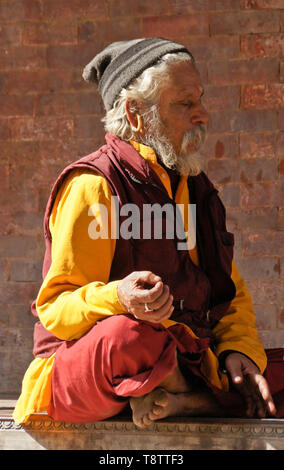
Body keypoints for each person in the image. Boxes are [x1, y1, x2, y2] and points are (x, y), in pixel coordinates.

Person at [13, 38, 283, 427]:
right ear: (136, 114)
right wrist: (118, 296)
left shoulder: (193, 187)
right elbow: (56, 310)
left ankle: (179, 398)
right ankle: (185, 393)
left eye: (200, 100)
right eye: (184, 103)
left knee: (260, 371)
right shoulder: (95, 185)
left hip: (185, 355)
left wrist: (237, 351)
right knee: (129, 337)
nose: (203, 115)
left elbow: (228, 292)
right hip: (90, 370)